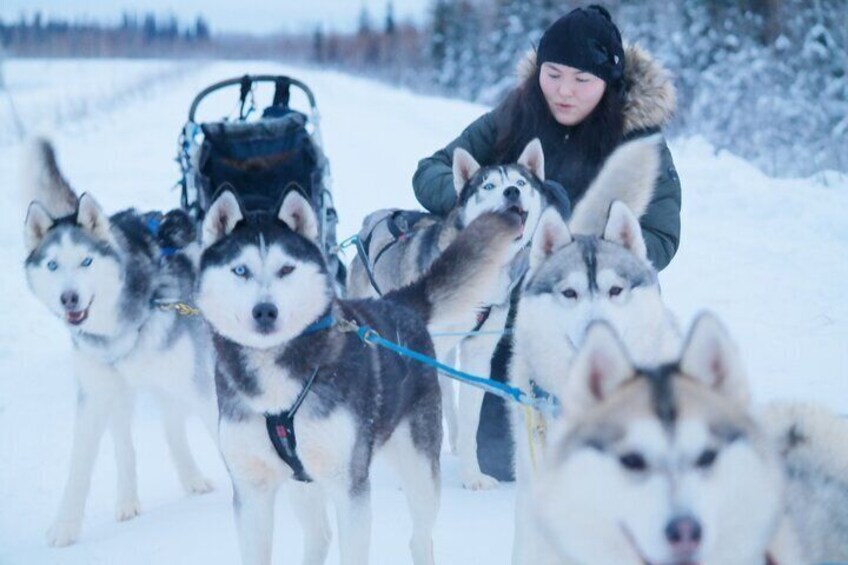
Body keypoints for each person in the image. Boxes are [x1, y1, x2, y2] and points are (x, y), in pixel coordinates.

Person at [411, 4, 682, 480]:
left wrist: (594, 251)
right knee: (501, 460)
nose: (563, 91)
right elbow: (431, 171)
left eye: (582, 80)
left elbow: (660, 237)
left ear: (609, 81)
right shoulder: (515, 116)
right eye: (553, 74)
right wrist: (480, 209)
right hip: (515, 312)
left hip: (599, 307)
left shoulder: (638, 141)